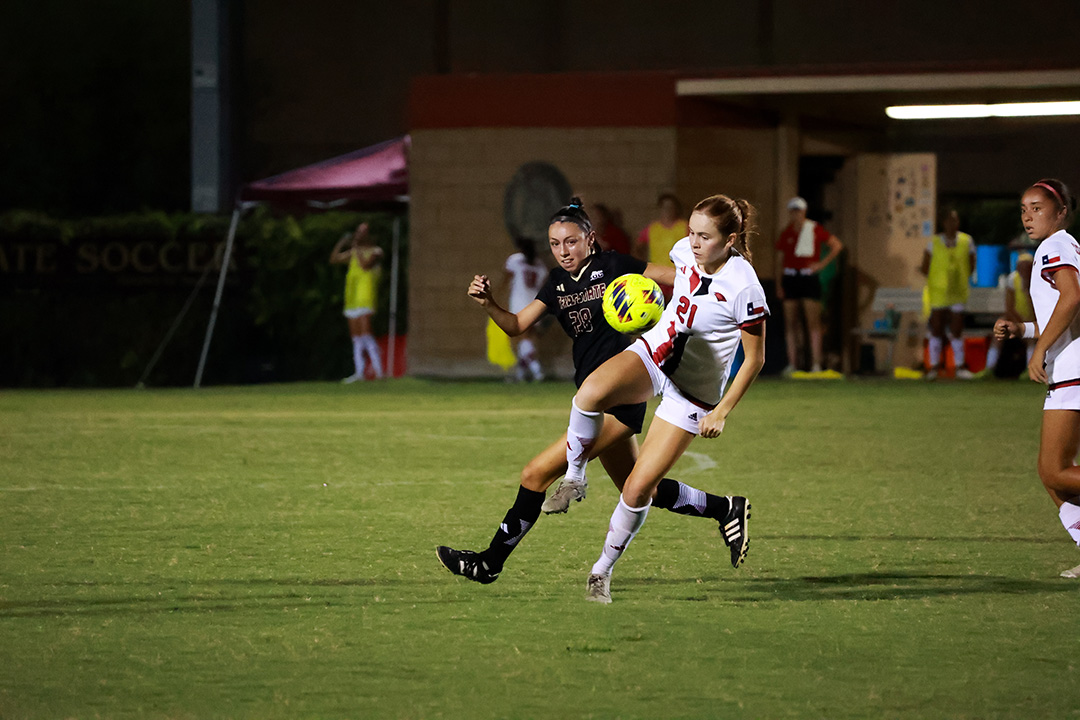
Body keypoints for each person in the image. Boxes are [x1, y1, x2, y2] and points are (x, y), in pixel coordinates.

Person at [436, 198, 749, 585]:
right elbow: (517, 325)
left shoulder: (613, 265)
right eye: (554, 244)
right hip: (595, 400)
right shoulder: (555, 283)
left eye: (570, 241)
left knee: (534, 475)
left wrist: (696, 307)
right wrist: (489, 304)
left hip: (620, 399)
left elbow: (680, 278)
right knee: (638, 488)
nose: (563, 251)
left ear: (590, 239)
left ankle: (489, 564)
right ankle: (725, 508)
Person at [559, 194, 767, 604]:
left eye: (704, 236)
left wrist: (721, 412)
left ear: (731, 238)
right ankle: (574, 477)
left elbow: (755, 360)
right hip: (655, 354)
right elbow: (667, 283)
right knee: (589, 394)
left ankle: (601, 572)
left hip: (693, 391)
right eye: (690, 232)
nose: (692, 243)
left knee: (637, 491)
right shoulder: (682, 252)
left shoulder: (744, 286)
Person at [993, 179, 1080, 579]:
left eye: (1038, 208)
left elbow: (1072, 297)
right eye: (1024, 209)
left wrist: (1040, 349)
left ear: (1061, 212)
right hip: (1069, 366)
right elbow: (1063, 315)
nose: (1028, 216)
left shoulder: (1055, 246)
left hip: (1071, 368)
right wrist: (1025, 331)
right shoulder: (1065, 246)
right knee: (1052, 473)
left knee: (1054, 471)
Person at [774, 196, 843, 375]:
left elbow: (836, 245)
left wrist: (821, 264)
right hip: (791, 277)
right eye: (793, 211)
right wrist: (780, 283)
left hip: (807, 277)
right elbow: (780, 259)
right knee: (791, 323)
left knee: (813, 322)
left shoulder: (813, 229)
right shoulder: (787, 232)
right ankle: (793, 363)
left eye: (799, 210)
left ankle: (815, 364)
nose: (796, 214)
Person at [919, 209, 977, 380]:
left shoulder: (967, 241)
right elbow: (925, 266)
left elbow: (972, 263)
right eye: (949, 220)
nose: (952, 223)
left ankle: (959, 366)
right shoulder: (934, 243)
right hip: (938, 292)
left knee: (957, 328)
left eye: (955, 220)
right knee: (936, 328)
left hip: (958, 291)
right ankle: (933, 367)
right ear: (943, 223)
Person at [330, 222, 383, 383]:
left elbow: (365, 265)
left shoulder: (376, 251)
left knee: (367, 334)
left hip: (365, 296)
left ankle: (379, 371)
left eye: (363, 232)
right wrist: (342, 243)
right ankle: (359, 372)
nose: (359, 235)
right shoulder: (353, 252)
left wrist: (356, 248)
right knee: (356, 338)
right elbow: (334, 259)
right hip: (352, 297)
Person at [980, 252, 1035, 378]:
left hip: (1034, 321)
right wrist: (1019, 324)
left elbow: (1037, 310)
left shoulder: (1039, 281)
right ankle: (990, 367)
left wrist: (1027, 291)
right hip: (1017, 319)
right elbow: (1009, 308)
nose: (1024, 270)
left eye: (1027, 267)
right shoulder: (1012, 280)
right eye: (1022, 267)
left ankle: (1031, 371)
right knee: (999, 329)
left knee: (1031, 337)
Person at [502, 236, 548, 382]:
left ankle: (537, 371)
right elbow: (542, 285)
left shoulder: (515, 260)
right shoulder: (540, 266)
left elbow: (506, 278)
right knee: (527, 339)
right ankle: (521, 374)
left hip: (519, 304)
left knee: (522, 338)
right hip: (535, 305)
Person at [634, 193, 688, 297]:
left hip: (677, 274)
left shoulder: (684, 226)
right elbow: (638, 246)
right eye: (665, 207)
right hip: (656, 276)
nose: (668, 210)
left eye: (671, 207)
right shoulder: (653, 228)